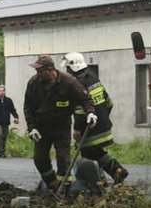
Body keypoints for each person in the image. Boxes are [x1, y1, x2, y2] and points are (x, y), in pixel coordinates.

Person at [23, 55, 97, 191]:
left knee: (63, 158)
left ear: (50, 70)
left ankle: (64, 189)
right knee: (39, 158)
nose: (37, 73)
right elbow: (28, 107)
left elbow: (86, 99)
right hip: (41, 127)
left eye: (40, 70)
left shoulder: (68, 81)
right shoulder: (33, 82)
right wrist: (32, 128)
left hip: (61, 126)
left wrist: (90, 112)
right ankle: (51, 184)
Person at [65, 52, 129, 184]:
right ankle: (107, 177)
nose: (66, 72)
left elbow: (80, 111)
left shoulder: (78, 83)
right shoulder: (93, 78)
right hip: (102, 125)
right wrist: (103, 118)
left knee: (89, 155)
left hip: (89, 127)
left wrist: (77, 129)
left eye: (67, 68)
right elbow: (108, 103)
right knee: (96, 153)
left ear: (72, 67)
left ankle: (113, 174)